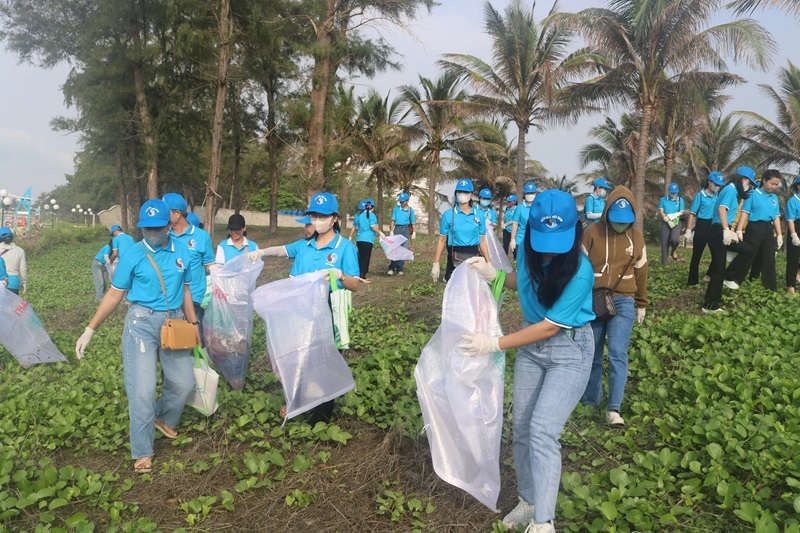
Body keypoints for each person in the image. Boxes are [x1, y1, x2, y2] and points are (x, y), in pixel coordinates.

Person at [458, 190, 595, 533]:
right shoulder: (529, 255)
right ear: (530, 229)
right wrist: (496, 275)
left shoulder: (581, 271)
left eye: (559, 239)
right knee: (521, 428)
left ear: (575, 230)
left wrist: (494, 343)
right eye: (543, 238)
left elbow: (549, 327)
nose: (550, 247)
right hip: (531, 350)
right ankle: (529, 500)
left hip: (568, 349)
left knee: (543, 430)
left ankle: (544, 522)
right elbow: (528, 282)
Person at [75, 199, 201, 474]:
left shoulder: (182, 250)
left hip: (175, 321)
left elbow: (188, 290)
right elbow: (114, 293)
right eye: (147, 228)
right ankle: (143, 450)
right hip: (140, 324)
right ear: (140, 228)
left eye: (158, 227)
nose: (152, 233)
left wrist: (194, 324)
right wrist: (90, 328)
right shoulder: (132, 253)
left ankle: (163, 417)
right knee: (142, 390)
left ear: (170, 224)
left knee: (183, 382)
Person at [249, 192, 364, 424]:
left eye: (322, 216)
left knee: (324, 363)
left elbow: (354, 285)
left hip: (326, 312)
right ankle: (300, 401)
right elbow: (283, 250)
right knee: (299, 359)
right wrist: (261, 252)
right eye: (313, 215)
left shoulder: (344, 248)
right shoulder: (305, 246)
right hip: (299, 313)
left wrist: (339, 274)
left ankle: (320, 420)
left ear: (334, 218)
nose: (317, 220)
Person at [580, 187, 648, 426]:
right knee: (594, 354)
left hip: (624, 300)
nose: (621, 225)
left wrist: (642, 303)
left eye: (625, 221)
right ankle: (590, 401)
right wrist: (577, 301)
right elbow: (579, 269)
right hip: (594, 299)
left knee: (618, 353)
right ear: (607, 212)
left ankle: (613, 409)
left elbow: (641, 271)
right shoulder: (591, 232)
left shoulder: (636, 237)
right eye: (616, 220)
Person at [702, 167, 758, 313]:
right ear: (741, 179)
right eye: (748, 182)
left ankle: (729, 276)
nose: (748, 186)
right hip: (718, 230)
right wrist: (726, 230)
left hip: (724, 229)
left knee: (749, 249)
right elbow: (721, 209)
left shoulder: (732, 191)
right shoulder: (731, 190)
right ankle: (710, 305)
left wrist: (735, 231)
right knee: (718, 269)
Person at [163, 193, 215, 343]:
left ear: (177, 213)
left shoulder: (201, 236)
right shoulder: (164, 236)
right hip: (170, 297)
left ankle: (201, 364)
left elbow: (209, 264)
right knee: (173, 338)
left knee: (196, 337)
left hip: (194, 296)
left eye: (166, 212)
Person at [725, 169, 783, 291]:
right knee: (749, 254)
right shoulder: (752, 194)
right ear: (764, 180)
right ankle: (733, 279)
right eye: (772, 183)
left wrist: (779, 234)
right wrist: (739, 230)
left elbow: (777, 216)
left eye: (776, 184)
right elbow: (744, 213)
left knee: (769, 260)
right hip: (754, 228)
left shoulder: (774, 198)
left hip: (768, 229)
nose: (774, 186)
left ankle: (771, 289)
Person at [431, 179, 490, 282]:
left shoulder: (479, 214)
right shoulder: (448, 215)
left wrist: (488, 262)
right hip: (455, 256)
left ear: (471, 195)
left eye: (466, 192)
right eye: (460, 192)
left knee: (473, 286)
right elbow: (441, 240)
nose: (462, 194)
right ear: (456, 194)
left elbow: (482, 240)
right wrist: (436, 263)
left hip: (474, 255)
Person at [685, 172, 725, 286]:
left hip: (714, 226)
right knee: (696, 255)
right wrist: (688, 230)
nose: (717, 186)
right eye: (715, 183)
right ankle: (692, 282)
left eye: (719, 184)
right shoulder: (700, 195)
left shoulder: (718, 196)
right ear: (709, 182)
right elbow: (692, 213)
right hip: (702, 226)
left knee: (717, 255)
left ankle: (710, 276)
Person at [350, 198, 385, 278]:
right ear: (373, 207)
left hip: (359, 239)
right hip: (368, 240)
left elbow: (357, 228)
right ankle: (363, 275)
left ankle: (357, 274)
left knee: (360, 257)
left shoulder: (360, 216)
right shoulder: (372, 215)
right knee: (366, 258)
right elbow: (373, 226)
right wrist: (380, 233)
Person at [658, 183, 686, 264]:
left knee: (674, 239)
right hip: (665, 222)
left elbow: (681, 212)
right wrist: (666, 219)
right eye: (672, 192)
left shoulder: (680, 200)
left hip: (676, 222)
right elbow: (661, 211)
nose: (673, 194)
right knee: (664, 242)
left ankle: (673, 250)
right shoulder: (663, 199)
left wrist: (674, 216)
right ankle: (664, 263)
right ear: (669, 192)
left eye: (675, 193)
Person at [388, 192, 415, 276]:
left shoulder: (411, 210)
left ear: (407, 201)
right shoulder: (396, 209)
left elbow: (413, 222)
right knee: (395, 249)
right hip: (397, 228)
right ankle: (392, 268)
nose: (402, 203)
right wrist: (391, 230)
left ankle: (400, 269)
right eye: (400, 202)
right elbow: (393, 220)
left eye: (403, 201)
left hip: (406, 229)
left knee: (403, 249)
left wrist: (414, 231)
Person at [509, 182, 538, 257]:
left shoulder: (539, 207)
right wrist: (512, 239)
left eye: (532, 193)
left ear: (535, 193)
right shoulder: (520, 207)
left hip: (535, 238)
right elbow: (515, 223)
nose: (530, 195)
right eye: (528, 193)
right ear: (524, 194)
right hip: (521, 238)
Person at [0, 228, 27, 295]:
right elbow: (23, 269)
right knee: (11, 305)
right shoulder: (20, 250)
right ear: (12, 236)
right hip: (13, 283)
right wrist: (24, 282)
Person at [785, 176, 800, 294]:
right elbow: (790, 219)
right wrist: (794, 234)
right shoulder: (793, 201)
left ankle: (798, 274)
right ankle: (790, 285)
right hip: (796, 228)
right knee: (793, 258)